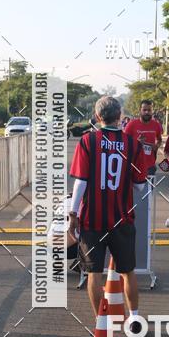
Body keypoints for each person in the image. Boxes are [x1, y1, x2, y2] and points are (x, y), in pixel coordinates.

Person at [68, 95, 147, 324]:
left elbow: (80, 182)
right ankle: (134, 317)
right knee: (127, 271)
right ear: (119, 116)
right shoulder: (133, 144)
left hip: (93, 219)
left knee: (94, 273)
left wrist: (73, 214)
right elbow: (140, 186)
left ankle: (101, 322)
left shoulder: (88, 142)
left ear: (98, 116)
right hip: (121, 219)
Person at [123, 100, 163, 178]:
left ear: (152, 111)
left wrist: (157, 145)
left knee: (148, 190)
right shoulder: (131, 125)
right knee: (133, 190)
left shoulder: (156, 125)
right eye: (144, 110)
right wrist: (136, 143)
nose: (147, 112)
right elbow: (124, 142)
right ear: (140, 110)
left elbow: (159, 139)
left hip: (150, 166)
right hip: (134, 165)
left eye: (149, 110)